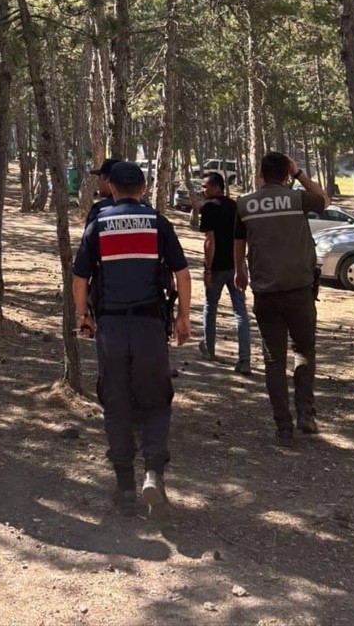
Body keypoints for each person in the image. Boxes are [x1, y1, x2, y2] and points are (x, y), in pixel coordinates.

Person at [72, 161, 191, 516]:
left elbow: (80, 279)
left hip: (111, 328)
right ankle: (153, 472)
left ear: (112, 189)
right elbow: (182, 274)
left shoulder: (98, 225)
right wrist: (183, 317)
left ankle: (124, 486)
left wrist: (84, 316)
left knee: (116, 402)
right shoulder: (157, 222)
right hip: (150, 328)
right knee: (155, 400)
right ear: (142, 189)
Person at [235, 152, 329, 446]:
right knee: (304, 351)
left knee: (274, 361)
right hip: (299, 290)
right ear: (286, 173)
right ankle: (305, 413)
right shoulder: (296, 199)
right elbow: (324, 199)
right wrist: (299, 174)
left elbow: (238, 242)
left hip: (266, 293)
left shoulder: (244, 204)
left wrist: (240, 272)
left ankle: (283, 426)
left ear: (261, 174)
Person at [198, 171, 251, 375]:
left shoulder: (209, 208)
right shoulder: (235, 206)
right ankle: (244, 359)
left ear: (216, 187)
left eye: (205, 186)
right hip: (236, 266)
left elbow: (210, 241)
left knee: (210, 306)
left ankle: (209, 349)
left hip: (219, 267)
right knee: (240, 312)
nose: (203, 190)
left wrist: (208, 269)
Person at [84, 157, 123, 226]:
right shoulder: (145, 209)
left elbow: (89, 236)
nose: (97, 181)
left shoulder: (99, 211)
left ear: (108, 180)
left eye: (99, 177)